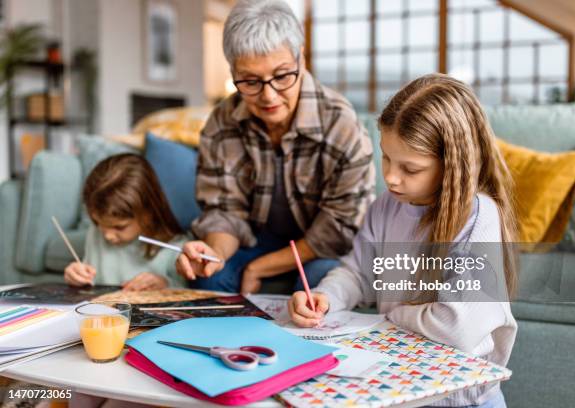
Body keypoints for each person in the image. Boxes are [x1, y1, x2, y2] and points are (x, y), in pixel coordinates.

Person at [289, 74, 518, 408]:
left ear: (452, 166)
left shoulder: (478, 215)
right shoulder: (386, 206)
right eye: (386, 158)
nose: (391, 178)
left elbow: (457, 326)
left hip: (463, 401)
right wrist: (325, 297)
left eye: (410, 169)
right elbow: (357, 273)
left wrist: (393, 314)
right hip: (401, 392)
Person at [176, 0, 375, 294]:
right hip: (256, 240)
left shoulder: (341, 124)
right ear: (233, 72)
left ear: (301, 59)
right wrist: (213, 253)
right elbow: (225, 213)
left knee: (322, 282)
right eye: (251, 81)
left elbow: (338, 230)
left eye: (282, 76)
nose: (268, 96)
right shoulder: (221, 124)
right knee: (209, 278)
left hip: (320, 248)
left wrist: (262, 267)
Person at [64, 153, 185, 290]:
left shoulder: (176, 247)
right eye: (98, 223)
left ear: (148, 213)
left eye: (119, 227)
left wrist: (165, 285)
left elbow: (189, 297)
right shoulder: (96, 232)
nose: (107, 235)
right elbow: (87, 283)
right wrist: (76, 276)